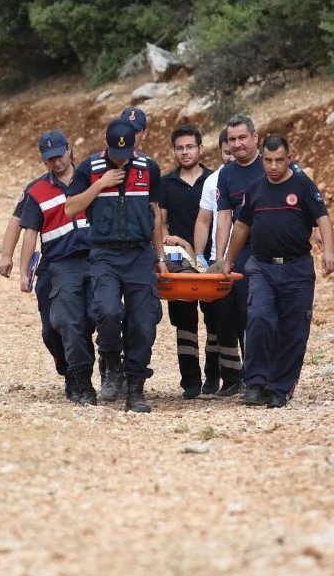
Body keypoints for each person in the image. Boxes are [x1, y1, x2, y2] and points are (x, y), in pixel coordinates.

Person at [211, 135, 334, 408]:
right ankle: (256, 383)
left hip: (296, 268)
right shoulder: (255, 188)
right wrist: (229, 260)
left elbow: (322, 218)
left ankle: (280, 388)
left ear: (289, 158)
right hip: (262, 267)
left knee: (293, 329)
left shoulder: (302, 185)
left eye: (279, 160)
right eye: (268, 160)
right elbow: (241, 226)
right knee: (259, 319)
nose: (273, 166)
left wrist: (329, 251)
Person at [66, 119, 167, 412]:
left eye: (126, 154)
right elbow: (71, 208)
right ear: (106, 144)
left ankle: (135, 389)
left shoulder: (149, 168)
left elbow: (155, 215)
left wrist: (160, 257)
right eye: (116, 153)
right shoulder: (89, 168)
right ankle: (111, 362)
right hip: (105, 254)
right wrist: (100, 184)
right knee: (108, 312)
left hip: (140, 254)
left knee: (144, 323)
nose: (121, 159)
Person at [14, 130, 96, 404]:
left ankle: (100, 371)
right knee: (56, 327)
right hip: (58, 264)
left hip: (95, 258)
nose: (57, 162)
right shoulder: (37, 190)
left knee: (94, 317)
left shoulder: (91, 179)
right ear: (44, 160)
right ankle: (72, 373)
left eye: (60, 155)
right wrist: (23, 271)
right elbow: (28, 233)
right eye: (50, 159)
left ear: (69, 150)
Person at [158, 124, 216, 399]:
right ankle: (190, 381)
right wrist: (169, 246)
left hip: (210, 259)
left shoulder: (214, 180)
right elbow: (161, 222)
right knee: (184, 322)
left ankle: (214, 377)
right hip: (179, 262)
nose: (185, 152)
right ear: (174, 151)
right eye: (180, 148)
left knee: (216, 319)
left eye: (190, 146)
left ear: (200, 148)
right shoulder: (166, 183)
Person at [191, 129, 245, 396]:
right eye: (226, 151)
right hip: (218, 259)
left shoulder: (257, 175)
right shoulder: (213, 181)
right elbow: (204, 220)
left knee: (249, 318)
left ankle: (254, 376)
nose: (231, 155)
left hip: (248, 256)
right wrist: (200, 256)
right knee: (221, 321)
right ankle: (231, 378)